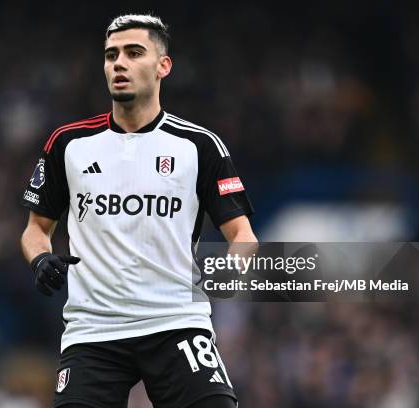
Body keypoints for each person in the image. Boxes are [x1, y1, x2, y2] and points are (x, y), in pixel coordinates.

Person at [20, 14, 257, 408]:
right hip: (93, 328)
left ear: (163, 66)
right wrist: (39, 259)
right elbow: (34, 229)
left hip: (176, 321)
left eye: (133, 53)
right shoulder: (69, 144)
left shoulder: (199, 146)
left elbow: (243, 237)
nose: (119, 64)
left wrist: (229, 272)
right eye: (111, 55)